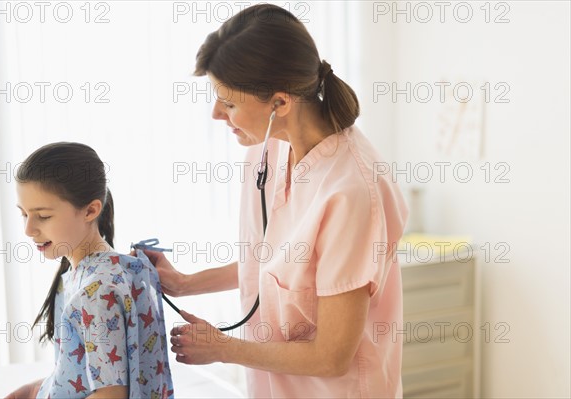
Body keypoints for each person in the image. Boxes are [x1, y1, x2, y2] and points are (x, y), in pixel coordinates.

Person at [146, 3, 409, 398]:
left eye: (229, 103)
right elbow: (274, 268)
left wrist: (221, 348)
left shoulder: (351, 191)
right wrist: (184, 284)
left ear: (280, 103)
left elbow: (333, 356)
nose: (217, 114)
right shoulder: (267, 148)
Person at [7, 142, 174, 399]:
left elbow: (111, 395)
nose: (28, 230)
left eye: (43, 216)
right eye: (24, 214)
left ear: (90, 210)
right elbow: (80, 374)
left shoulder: (97, 292)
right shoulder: (93, 274)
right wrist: (34, 390)